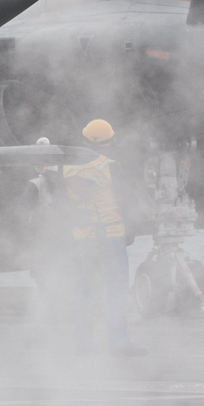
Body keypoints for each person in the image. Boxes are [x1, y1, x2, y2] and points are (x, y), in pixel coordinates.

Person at [60, 119, 144, 356]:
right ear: (109, 142)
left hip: (82, 239)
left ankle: (82, 345)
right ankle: (119, 343)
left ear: (83, 140)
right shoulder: (110, 167)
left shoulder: (66, 169)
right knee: (115, 291)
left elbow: (61, 206)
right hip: (111, 237)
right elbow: (127, 201)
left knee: (85, 292)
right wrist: (132, 229)